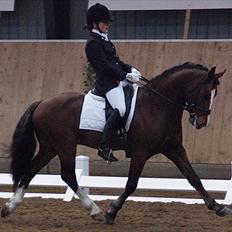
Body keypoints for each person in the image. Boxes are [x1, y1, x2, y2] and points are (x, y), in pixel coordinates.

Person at [85, 3, 141, 162]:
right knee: (121, 109)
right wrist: (125, 76)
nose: (107, 25)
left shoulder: (105, 40)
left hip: (117, 80)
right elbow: (104, 67)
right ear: (94, 24)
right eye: (104, 22)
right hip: (107, 84)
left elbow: (115, 61)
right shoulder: (93, 44)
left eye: (107, 22)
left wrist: (131, 69)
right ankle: (104, 146)